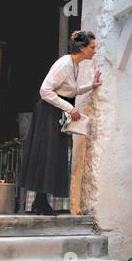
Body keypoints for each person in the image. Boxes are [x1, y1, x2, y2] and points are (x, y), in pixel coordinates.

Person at [18, 30, 102, 215]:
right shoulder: (64, 64)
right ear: (82, 47)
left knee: (53, 155)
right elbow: (45, 90)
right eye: (92, 47)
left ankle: (41, 202)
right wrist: (69, 108)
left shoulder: (74, 65)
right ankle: (40, 202)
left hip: (56, 112)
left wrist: (91, 86)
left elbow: (71, 90)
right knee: (45, 154)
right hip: (47, 112)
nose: (94, 51)